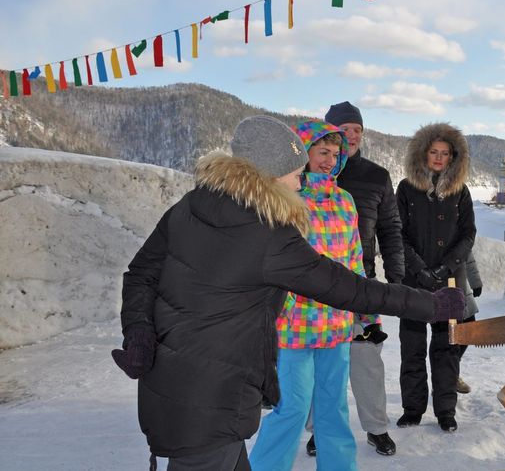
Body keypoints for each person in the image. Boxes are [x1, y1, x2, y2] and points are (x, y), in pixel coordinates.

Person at [111, 115, 465, 471]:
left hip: (188, 383)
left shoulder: (192, 203)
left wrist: (138, 330)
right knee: (285, 412)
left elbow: (141, 273)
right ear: (270, 174)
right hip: (218, 393)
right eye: (296, 173)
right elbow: (346, 287)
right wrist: (430, 304)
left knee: (313, 417)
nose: (301, 181)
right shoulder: (270, 232)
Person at [249, 121, 364, 470]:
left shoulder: (345, 200)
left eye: (335, 154)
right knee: (292, 408)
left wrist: (366, 310)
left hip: (337, 322)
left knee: (334, 409)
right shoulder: (284, 199)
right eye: (322, 152)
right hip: (293, 323)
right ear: (302, 154)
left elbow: (354, 257)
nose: (329, 161)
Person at [304, 101, 403, 457]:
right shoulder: (307, 177)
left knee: (366, 360)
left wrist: (396, 278)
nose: (351, 135)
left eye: (357, 129)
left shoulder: (377, 176)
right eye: (344, 129)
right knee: (318, 366)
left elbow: (390, 229)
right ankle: (319, 429)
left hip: (361, 281)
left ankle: (377, 428)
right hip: (313, 289)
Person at [396, 122, 476, 433]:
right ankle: (412, 409)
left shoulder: (461, 191)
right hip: (413, 281)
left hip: (450, 281)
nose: (439, 158)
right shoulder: (406, 189)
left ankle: (446, 411)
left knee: (446, 350)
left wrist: (446, 268)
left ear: (453, 157)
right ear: (423, 154)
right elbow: (398, 234)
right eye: (434, 152)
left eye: (445, 153)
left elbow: (468, 234)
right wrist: (419, 269)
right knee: (412, 348)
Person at [456, 250, 482, 394]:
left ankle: (450, 373)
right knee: (445, 337)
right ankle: (444, 380)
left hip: (460, 281)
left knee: (468, 329)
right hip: (438, 282)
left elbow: (467, 253)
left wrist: (475, 281)